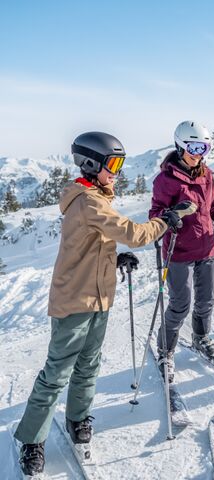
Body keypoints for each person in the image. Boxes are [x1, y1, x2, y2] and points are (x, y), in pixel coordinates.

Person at [14, 132, 196, 477]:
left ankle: (78, 418)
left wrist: (113, 259)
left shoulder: (95, 197)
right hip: (74, 301)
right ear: (91, 164)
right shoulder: (89, 201)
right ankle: (31, 440)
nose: (117, 172)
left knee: (88, 366)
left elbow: (89, 244)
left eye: (120, 164)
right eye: (112, 164)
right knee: (56, 373)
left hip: (98, 298)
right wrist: (166, 220)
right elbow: (134, 233)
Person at [149, 121, 214, 382]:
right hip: (178, 251)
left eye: (204, 147)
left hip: (207, 248)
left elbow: (213, 209)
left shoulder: (207, 175)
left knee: (206, 301)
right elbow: (155, 214)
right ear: (180, 145)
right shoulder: (165, 180)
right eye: (194, 147)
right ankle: (165, 350)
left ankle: (200, 337)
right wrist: (172, 215)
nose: (199, 153)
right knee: (180, 305)